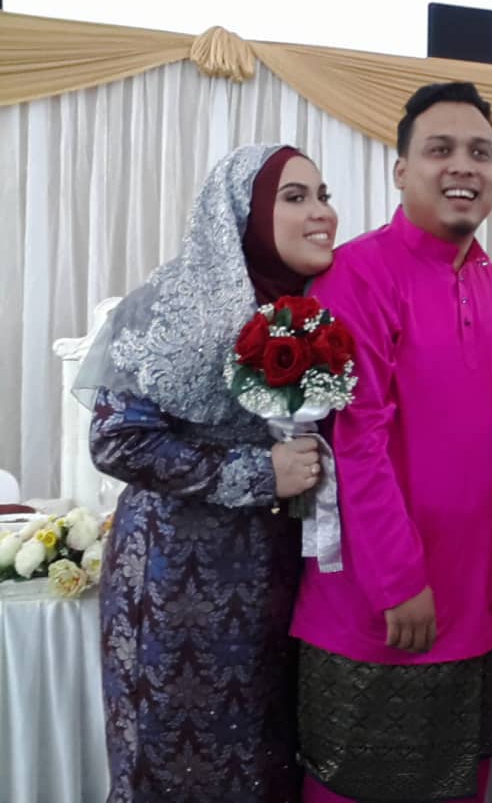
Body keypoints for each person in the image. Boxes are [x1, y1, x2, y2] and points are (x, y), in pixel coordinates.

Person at [288, 82, 492, 803]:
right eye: (441, 149)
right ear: (401, 170)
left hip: (475, 598)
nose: (463, 165)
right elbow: (355, 445)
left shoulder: (490, 281)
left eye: (480, 152)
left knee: (462, 786)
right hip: (383, 604)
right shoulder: (356, 276)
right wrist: (398, 582)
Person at [77, 144, 338, 802]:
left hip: (286, 578)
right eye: (295, 197)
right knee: (180, 764)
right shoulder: (168, 306)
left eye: (324, 196)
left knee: (269, 762)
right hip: (177, 588)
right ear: (241, 214)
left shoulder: (323, 309)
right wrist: (260, 473)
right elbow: (116, 441)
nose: (321, 213)